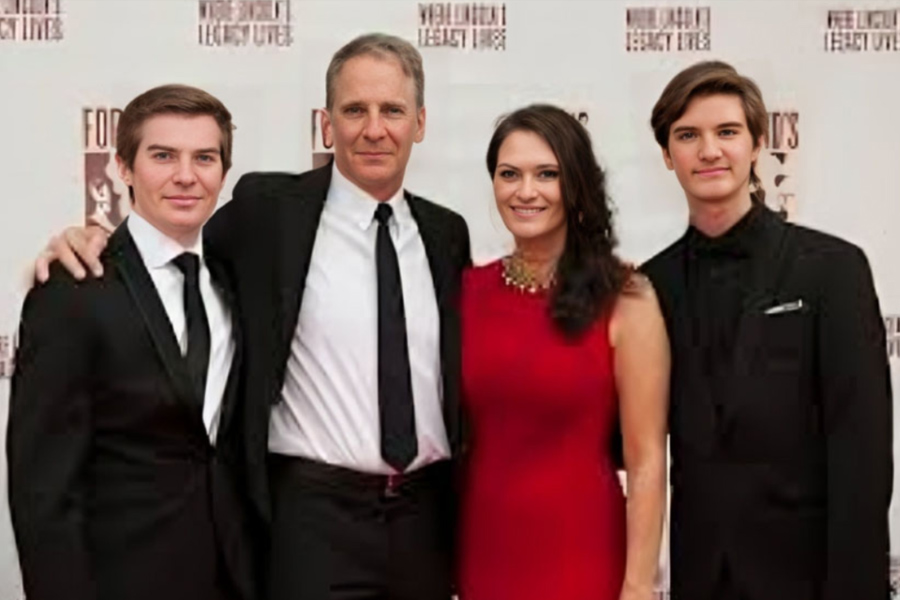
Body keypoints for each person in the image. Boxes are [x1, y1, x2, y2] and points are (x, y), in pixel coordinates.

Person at [35, 33, 470, 600]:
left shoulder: (446, 234)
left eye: (392, 110)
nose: (373, 129)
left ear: (420, 123)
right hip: (311, 521)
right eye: (354, 110)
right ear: (326, 124)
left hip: (425, 520)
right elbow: (164, 247)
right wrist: (87, 239)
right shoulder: (267, 213)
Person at [642, 61, 892, 600]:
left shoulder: (831, 268)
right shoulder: (649, 286)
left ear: (757, 144)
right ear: (666, 154)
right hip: (700, 577)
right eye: (688, 135)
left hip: (808, 579)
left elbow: (863, 453)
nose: (709, 150)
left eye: (727, 132)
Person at [8, 84, 256, 600]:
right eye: (163, 156)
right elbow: (43, 489)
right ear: (123, 168)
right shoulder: (73, 291)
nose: (185, 175)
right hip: (121, 579)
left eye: (204, 158)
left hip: (232, 577)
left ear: (223, 172)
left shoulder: (239, 276)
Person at [458, 105, 669, 600]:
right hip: (483, 552)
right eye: (509, 174)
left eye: (546, 174)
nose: (525, 191)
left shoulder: (627, 297)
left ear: (576, 185)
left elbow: (646, 460)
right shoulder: (467, 291)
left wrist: (638, 586)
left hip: (582, 556)